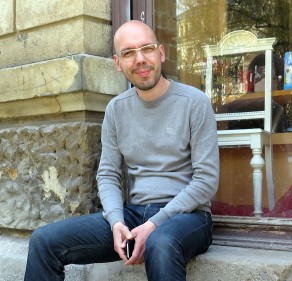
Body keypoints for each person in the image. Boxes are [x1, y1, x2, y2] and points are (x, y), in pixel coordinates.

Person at [24, 20, 220, 281]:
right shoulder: (116, 110)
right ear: (118, 63)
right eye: (128, 53)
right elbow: (107, 175)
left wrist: (154, 225)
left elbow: (206, 180)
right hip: (134, 214)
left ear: (161, 53)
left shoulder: (195, 102)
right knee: (44, 241)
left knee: (159, 243)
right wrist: (116, 222)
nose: (140, 59)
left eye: (147, 49)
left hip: (189, 217)